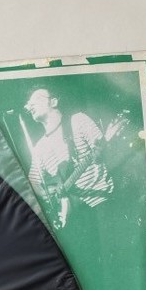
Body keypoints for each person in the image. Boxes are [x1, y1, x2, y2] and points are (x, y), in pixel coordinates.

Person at [23, 87, 115, 229]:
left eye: (38, 99)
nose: (31, 104)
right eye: (30, 102)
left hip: (100, 202)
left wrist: (100, 154)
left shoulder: (78, 120)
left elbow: (105, 150)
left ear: (53, 102)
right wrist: (42, 193)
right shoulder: (39, 148)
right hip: (73, 215)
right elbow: (32, 180)